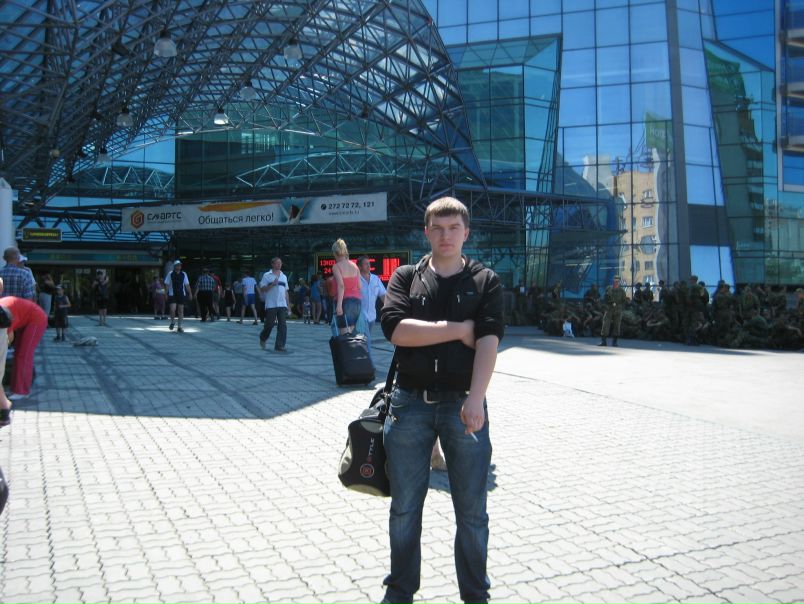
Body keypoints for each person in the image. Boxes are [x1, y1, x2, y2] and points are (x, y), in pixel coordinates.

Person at [379, 196, 504, 604]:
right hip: (409, 404)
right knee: (404, 507)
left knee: (472, 511)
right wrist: (459, 329)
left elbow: (488, 341)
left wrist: (477, 398)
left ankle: (475, 594)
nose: (445, 235)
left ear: (467, 233)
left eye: (453, 228)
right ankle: (400, 590)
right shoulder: (405, 277)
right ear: (426, 232)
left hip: (463, 404)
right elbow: (398, 331)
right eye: (438, 228)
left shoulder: (485, 281)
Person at [0, 286, 48, 400]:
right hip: (25, 320)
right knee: (18, 354)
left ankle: (22, 391)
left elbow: (9, 337)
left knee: (24, 355)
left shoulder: (4, 314)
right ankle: (15, 388)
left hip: (37, 319)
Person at [258, 257, 290, 352]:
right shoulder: (267, 275)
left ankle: (279, 345)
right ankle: (263, 337)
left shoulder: (284, 276)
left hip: (282, 304)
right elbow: (262, 289)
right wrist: (272, 284)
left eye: (280, 263)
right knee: (269, 324)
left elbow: (286, 292)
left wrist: (288, 306)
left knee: (282, 325)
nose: (279, 265)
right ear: (272, 264)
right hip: (271, 304)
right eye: (277, 263)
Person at [358, 255, 386, 359]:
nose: (369, 266)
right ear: (360, 267)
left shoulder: (375, 279)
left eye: (369, 264)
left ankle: (360, 359)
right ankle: (369, 363)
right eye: (366, 264)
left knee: (364, 340)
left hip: (372, 317)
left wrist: (390, 308)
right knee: (367, 340)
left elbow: (383, 295)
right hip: (360, 316)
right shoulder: (356, 279)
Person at [332, 238, 361, 335]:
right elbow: (360, 286)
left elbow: (341, 286)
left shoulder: (336, 267)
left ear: (335, 253)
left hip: (344, 301)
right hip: (356, 302)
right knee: (352, 333)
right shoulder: (355, 266)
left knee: (344, 333)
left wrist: (339, 305)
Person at [164, 260, 192, 333]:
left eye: (180, 265)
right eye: (177, 265)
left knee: (180, 311)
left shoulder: (184, 274)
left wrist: (190, 293)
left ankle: (179, 326)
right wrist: (166, 294)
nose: (178, 266)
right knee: (172, 309)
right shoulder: (170, 274)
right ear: (174, 266)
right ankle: (173, 322)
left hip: (181, 294)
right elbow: (167, 284)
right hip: (172, 294)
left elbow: (187, 285)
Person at [599, 276, 627, 346]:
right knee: (605, 325)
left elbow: (624, 301)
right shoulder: (608, 288)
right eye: (615, 280)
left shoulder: (622, 291)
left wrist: (621, 308)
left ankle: (615, 342)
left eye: (617, 281)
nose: (616, 282)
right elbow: (605, 298)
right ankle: (603, 341)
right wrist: (606, 306)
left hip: (618, 310)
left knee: (617, 325)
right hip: (609, 309)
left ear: (619, 282)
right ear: (613, 281)